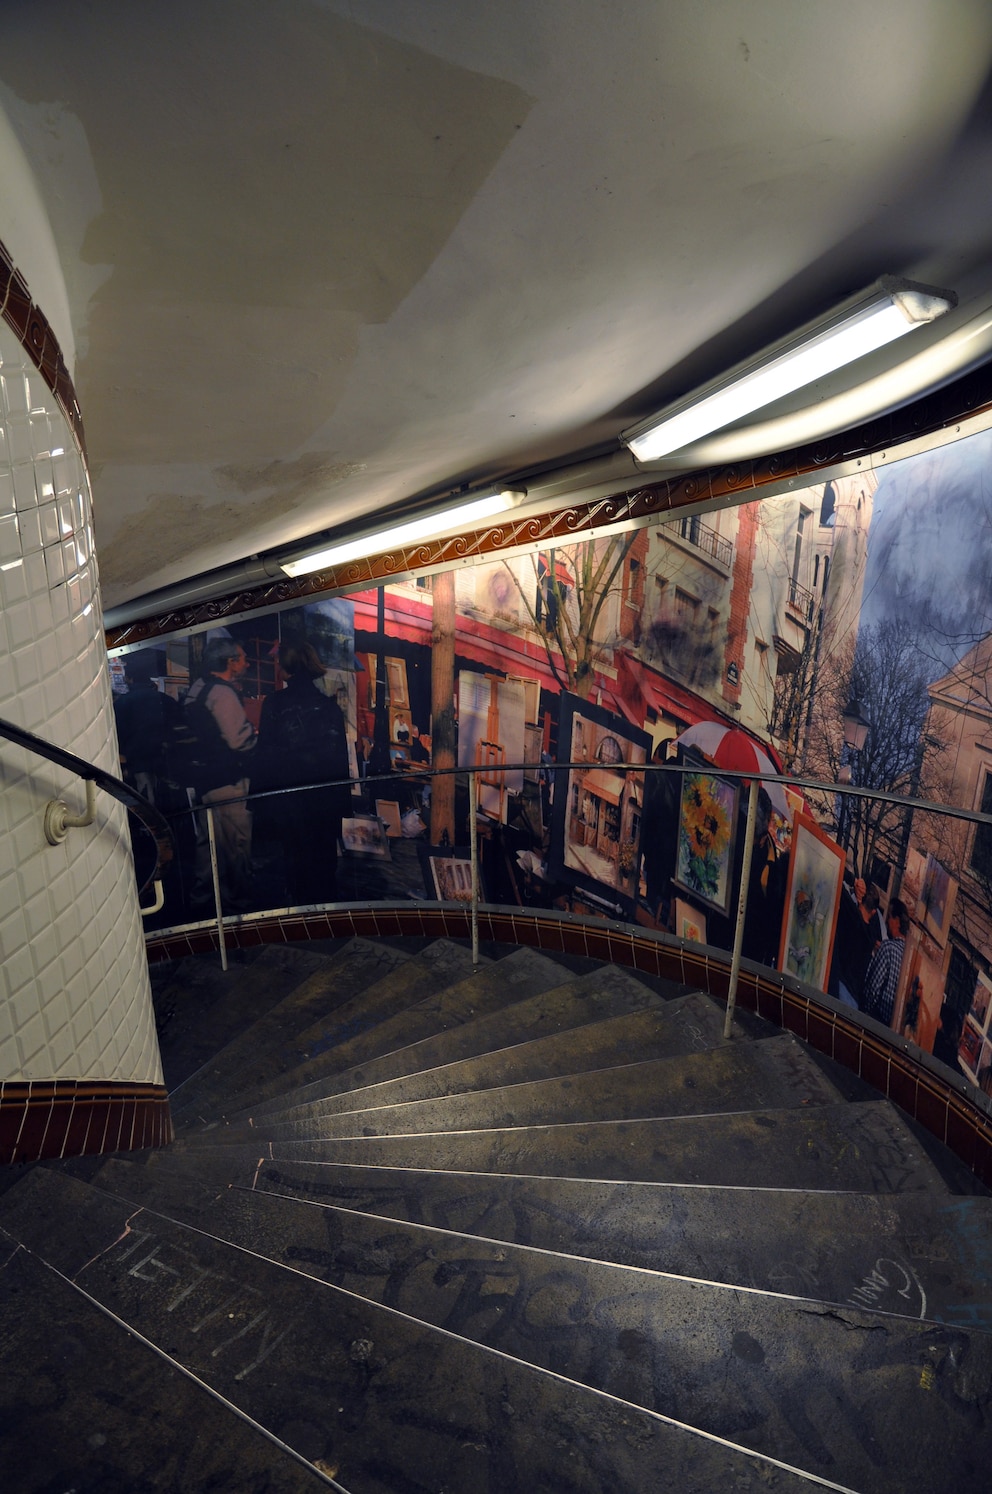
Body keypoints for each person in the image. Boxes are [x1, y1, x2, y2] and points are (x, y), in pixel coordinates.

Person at [255, 639, 351, 904]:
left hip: (290, 799)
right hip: (323, 800)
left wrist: (260, 802)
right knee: (322, 859)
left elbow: (266, 754)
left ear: (287, 666)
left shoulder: (274, 704)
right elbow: (338, 759)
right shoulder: (329, 707)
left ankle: (299, 915)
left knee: (294, 858)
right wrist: (342, 805)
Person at [183, 638, 257, 909]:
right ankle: (238, 905)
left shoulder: (198, 688)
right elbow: (240, 740)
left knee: (208, 848)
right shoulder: (223, 694)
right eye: (242, 658)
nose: (246, 663)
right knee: (236, 846)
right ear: (230, 662)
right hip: (228, 781)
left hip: (205, 781)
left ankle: (202, 903)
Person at [113, 651, 183, 807]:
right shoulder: (165, 700)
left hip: (138, 762)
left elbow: (117, 734)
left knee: (147, 801)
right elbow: (180, 726)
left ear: (129, 679)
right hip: (166, 761)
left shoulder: (122, 703)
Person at [861, 898, 909, 1026]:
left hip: (875, 1020)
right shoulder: (909, 958)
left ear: (897, 921)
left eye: (889, 917)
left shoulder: (888, 948)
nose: (887, 922)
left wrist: (865, 1010)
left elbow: (872, 989)